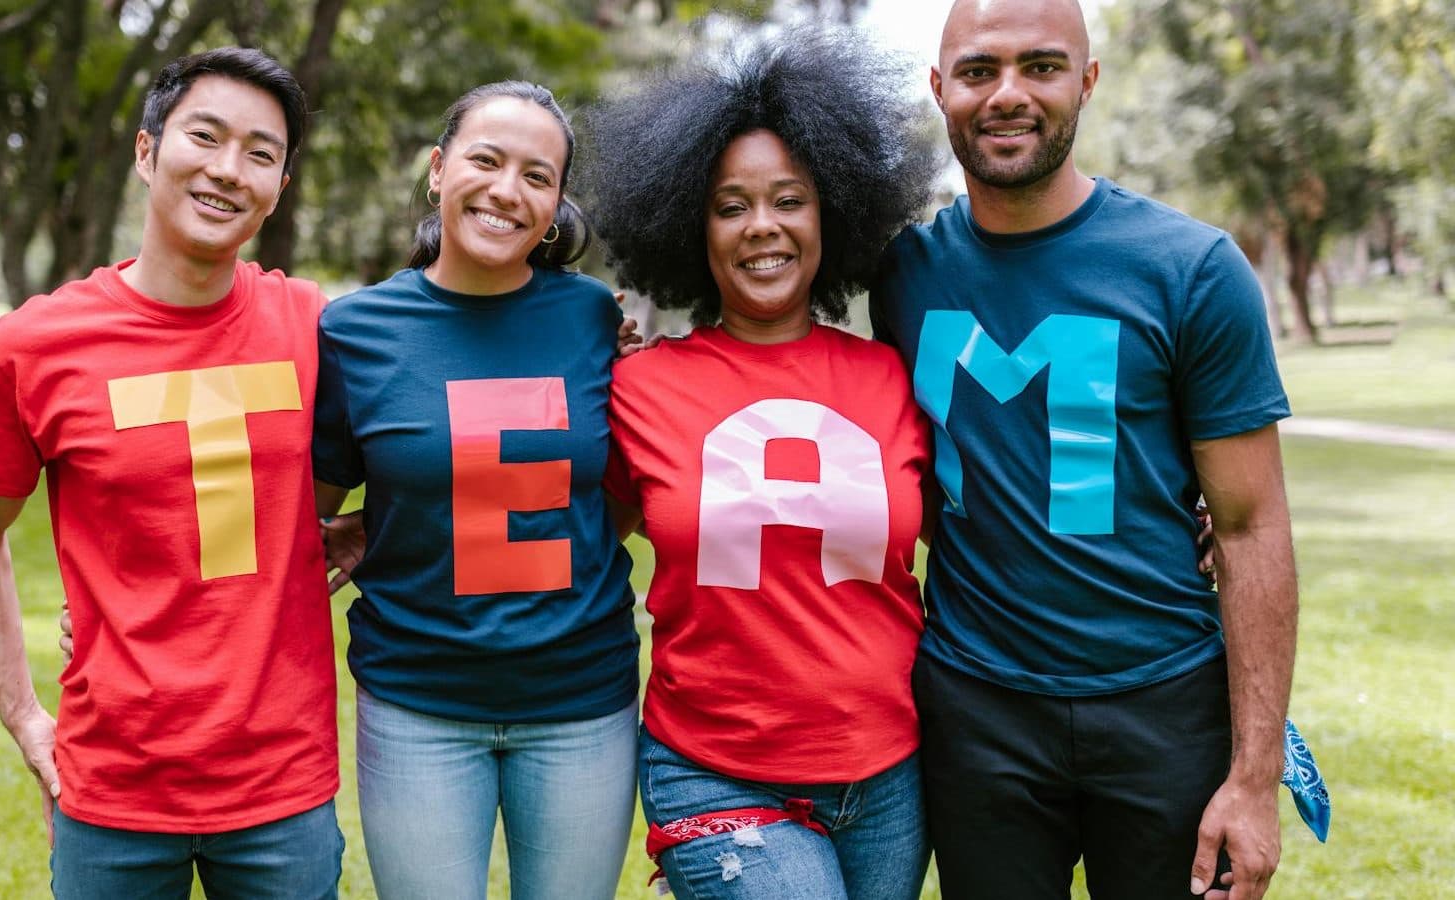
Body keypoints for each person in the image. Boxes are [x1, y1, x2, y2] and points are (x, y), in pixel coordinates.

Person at [869, 2, 1299, 899]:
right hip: (976, 707)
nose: (1009, 94)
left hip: (1165, 704)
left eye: (1043, 66)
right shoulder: (903, 273)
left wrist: (1254, 782)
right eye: (980, 70)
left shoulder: (1192, 270)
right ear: (940, 88)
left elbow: (1252, 527)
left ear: (1088, 81)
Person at [0, 48, 344, 897]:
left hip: (282, 785)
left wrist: (365, 532)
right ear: (147, 150)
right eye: (206, 136)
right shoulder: (35, 345)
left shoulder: (318, 327)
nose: (229, 170)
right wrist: (23, 717)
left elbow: (448, 435)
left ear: (279, 185)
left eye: (261, 153)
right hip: (112, 786)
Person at [580, 30, 941, 900]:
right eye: (730, 205)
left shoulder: (894, 378)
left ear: (834, 214)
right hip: (714, 766)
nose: (763, 227)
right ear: (688, 225)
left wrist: (1183, 522)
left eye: (790, 199)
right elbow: (556, 526)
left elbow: (994, 513)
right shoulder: (638, 390)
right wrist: (392, 517)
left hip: (890, 771)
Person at [310, 81, 639, 900]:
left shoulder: (597, 319)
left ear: (557, 203)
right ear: (437, 170)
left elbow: (623, 491)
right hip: (419, 703)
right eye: (486, 161)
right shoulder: (355, 333)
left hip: (581, 704)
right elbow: (306, 515)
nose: (507, 191)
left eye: (538, 176)